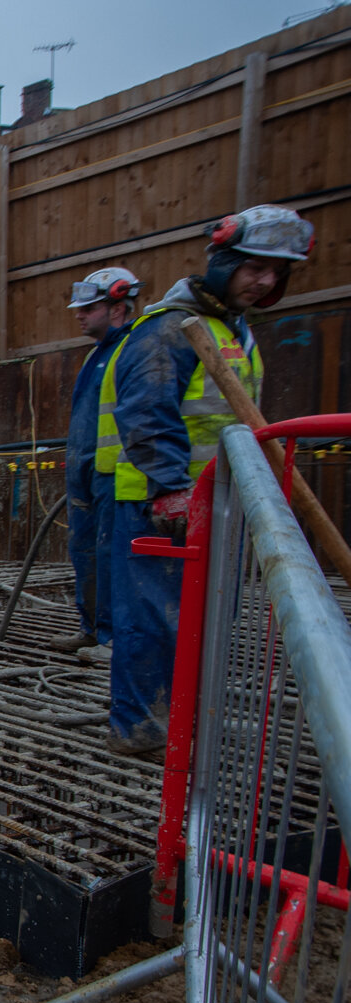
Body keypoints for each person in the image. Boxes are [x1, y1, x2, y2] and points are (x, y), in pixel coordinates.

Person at [98, 204, 314, 757]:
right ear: (223, 261)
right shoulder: (171, 329)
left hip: (211, 500)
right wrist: (170, 488)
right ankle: (141, 730)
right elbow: (146, 414)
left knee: (202, 620)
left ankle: (180, 719)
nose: (265, 280)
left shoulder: (230, 329)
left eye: (276, 271)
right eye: (254, 267)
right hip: (159, 504)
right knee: (154, 622)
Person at [54, 267, 140, 654]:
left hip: (117, 473)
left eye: (89, 307)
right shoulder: (96, 355)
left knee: (112, 555)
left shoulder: (135, 350)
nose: (80, 314)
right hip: (85, 470)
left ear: (118, 306)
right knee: (84, 550)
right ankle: (90, 628)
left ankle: (111, 636)